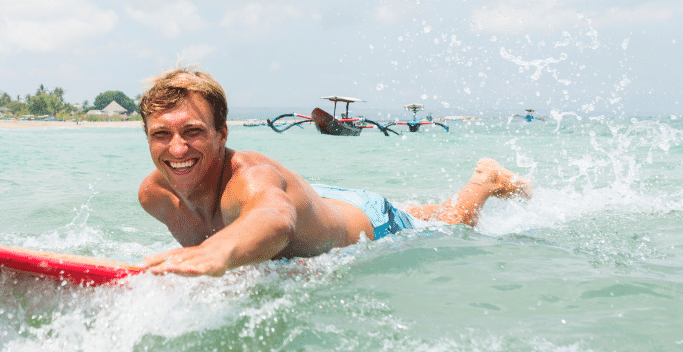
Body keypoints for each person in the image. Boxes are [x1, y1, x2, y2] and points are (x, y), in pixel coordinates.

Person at [137, 67, 532, 277]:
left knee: (454, 221)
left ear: (221, 134)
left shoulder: (251, 179)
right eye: (161, 134)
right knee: (417, 212)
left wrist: (215, 252)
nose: (176, 149)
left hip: (367, 221)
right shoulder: (155, 196)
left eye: (193, 132)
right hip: (319, 200)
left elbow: (274, 219)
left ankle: (485, 181)